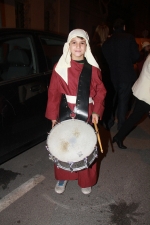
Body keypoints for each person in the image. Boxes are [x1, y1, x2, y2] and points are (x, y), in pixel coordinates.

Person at [45, 29, 106, 194]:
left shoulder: (93, 69)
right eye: (74, 43)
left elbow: (101, 91)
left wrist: (97, 111)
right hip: (65, 111)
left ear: (87, 46)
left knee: (85, 146)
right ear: (68, 46)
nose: (78, 47)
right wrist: (52, 117)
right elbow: (53, 93)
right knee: (65, 145)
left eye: (82, 43)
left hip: (87, 111)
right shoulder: (60, 67)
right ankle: (63, 176)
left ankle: (86, 180)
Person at [102, 18, 140, 130]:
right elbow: (136, 56)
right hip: (126, 75)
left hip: (111, 75)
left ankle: (108, 122)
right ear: (124, 27)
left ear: (113, 29)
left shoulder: (107, 42)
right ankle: (121, 126)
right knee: (123, 100)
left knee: (111, 99)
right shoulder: (129, 38)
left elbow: (105, 58)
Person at [112, 53, 150, 149]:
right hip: (146, 95)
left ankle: (118, 137)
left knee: (134, 117)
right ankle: (118, 137)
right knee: (134, 117)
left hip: (143, 94)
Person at [91, 23, 114, 129]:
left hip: (97, 77)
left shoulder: (93, 48)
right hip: (107, 77)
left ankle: (101, 123)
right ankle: (106, 123)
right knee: (107, 100)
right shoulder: (109, 46)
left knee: (99, 100)